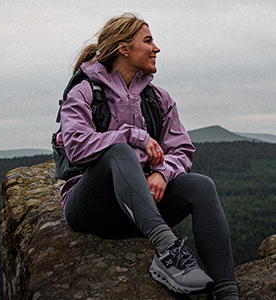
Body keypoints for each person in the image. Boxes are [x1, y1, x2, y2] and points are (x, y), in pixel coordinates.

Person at [58, 13, 239, 299]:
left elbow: (182, 150)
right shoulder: (84, 92)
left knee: (202, 186)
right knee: (118, 151)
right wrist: (132, 135)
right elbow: (76, 146)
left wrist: (162, 173)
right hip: (93, 206)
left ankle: (228, 293)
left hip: (141, 207)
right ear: (124, 48)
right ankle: (168, 252)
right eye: (149, 41)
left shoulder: (158, 98)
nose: (156, 48)